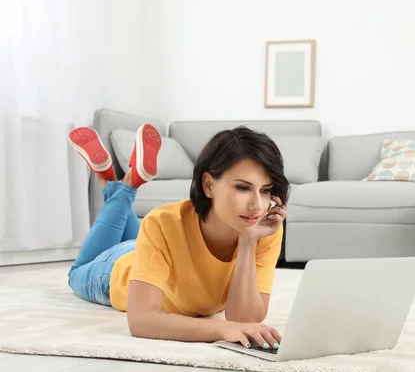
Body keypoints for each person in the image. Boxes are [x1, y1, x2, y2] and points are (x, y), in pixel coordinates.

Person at [67, 123, 289, 350]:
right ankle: (125, 184)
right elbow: (141, 321)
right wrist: (222, 329)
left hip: (154, 252)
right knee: (76, 274)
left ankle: (112, 180)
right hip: (114, 271)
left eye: (265, 190)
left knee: (143, 233)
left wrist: (248, 242)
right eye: (243, 188)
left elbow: (243, 319)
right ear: (208, 184)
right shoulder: (162, 222)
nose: (258, 206)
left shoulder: (261, 231)